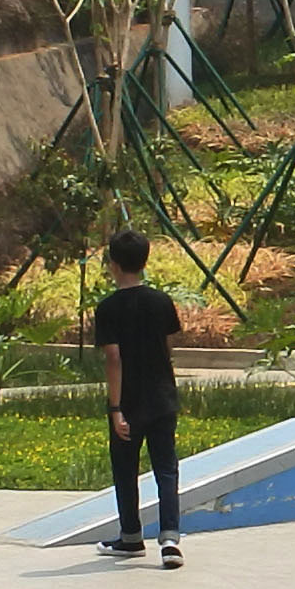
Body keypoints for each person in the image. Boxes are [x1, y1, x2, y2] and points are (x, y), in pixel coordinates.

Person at [88, 230, 184, 564]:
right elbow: (167, 347)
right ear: (144, 261)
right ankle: (170, 539)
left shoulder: (108, 308)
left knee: (126, 468)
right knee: (166, 469)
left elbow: (113, 358)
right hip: (162, 396)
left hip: (129, 401)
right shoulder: (161, 302)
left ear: (113, 265)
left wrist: (115, 407)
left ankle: (131, 537)